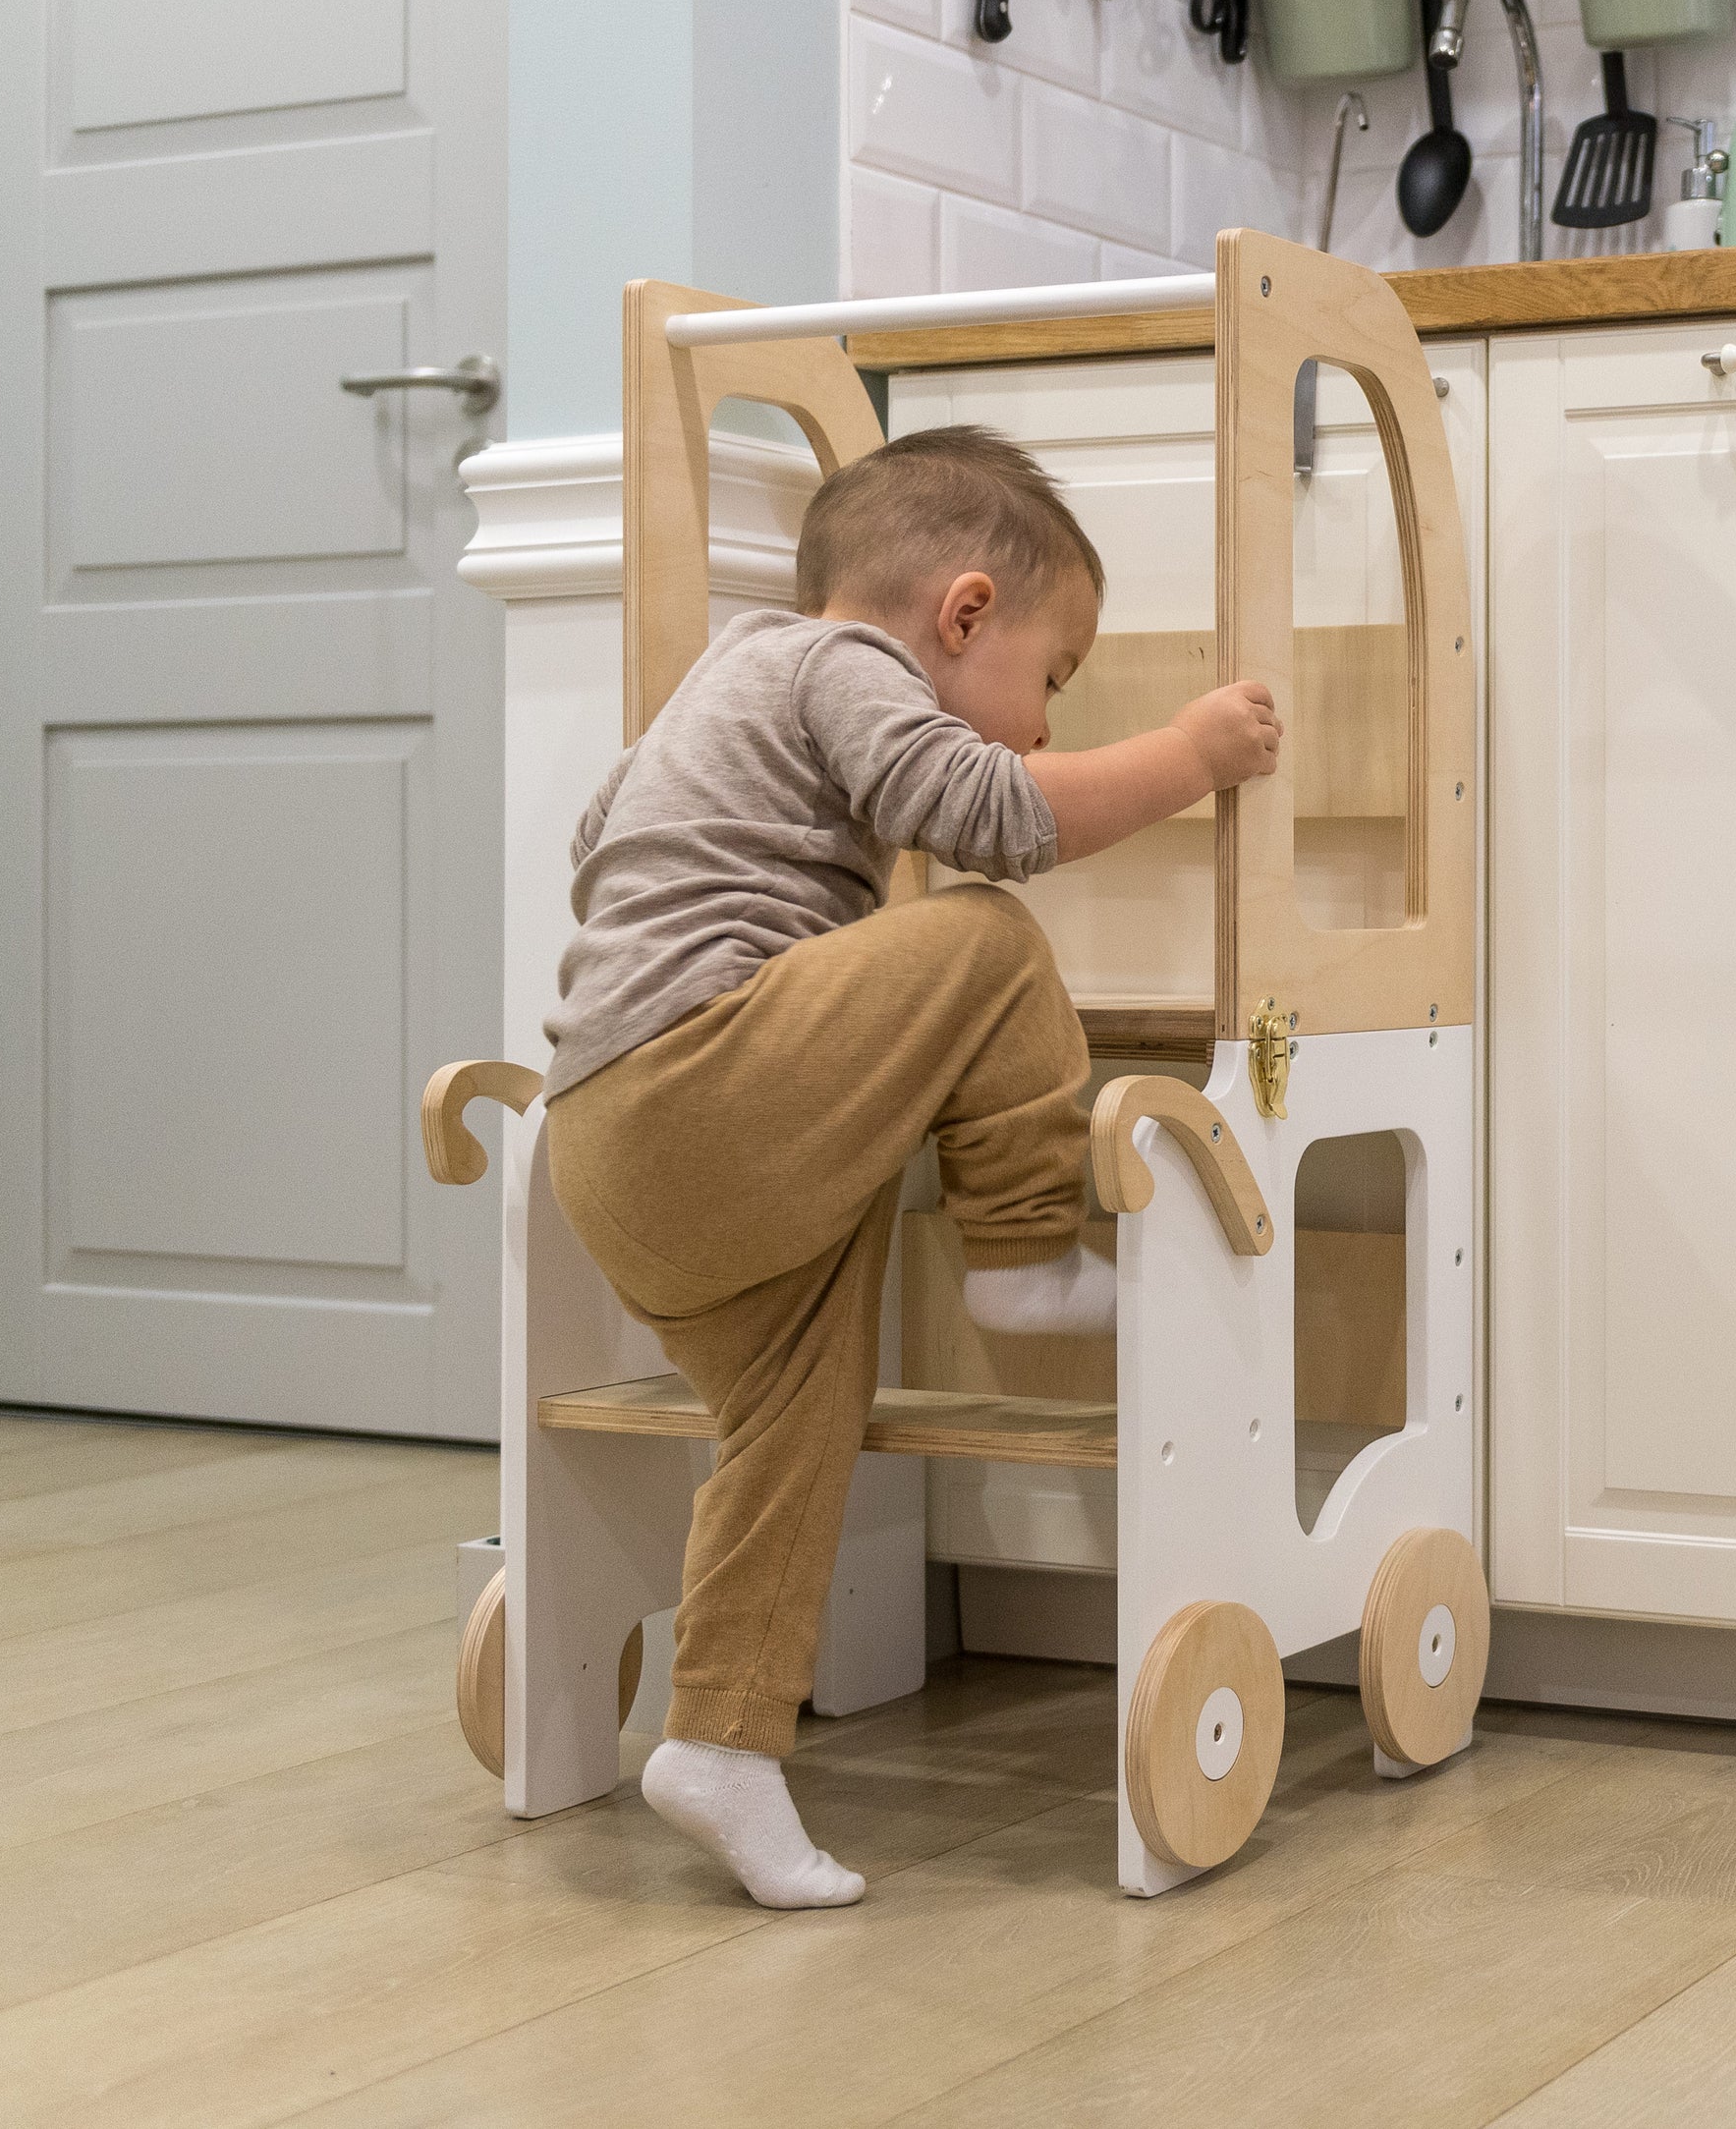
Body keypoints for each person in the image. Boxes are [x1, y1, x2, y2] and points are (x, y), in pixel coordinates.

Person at [535, 422, 1276, 1908]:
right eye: (1050, 681)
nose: (1047, 727)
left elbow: (593, 836)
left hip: (611, 1140)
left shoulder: (717, 690)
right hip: (696, 1079)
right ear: (963, 616)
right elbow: (991, 820)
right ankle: (1018, 1259)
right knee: (988, 942)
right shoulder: (838, 667)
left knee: (792, 1426)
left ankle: (722, 1746)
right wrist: (1190, 757)